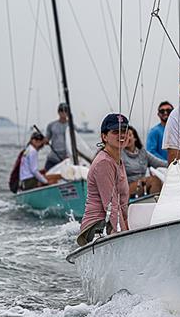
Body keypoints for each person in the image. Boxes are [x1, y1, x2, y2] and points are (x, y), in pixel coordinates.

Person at [77, 113, 131, 246]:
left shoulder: (117, 159)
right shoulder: (104, 163)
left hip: (110, 221)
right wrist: (127, 237)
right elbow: (111, 206)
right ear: (104, 137)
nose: (122, 135)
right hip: (97, 227)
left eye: (124, 131)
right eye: (115, 132)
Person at [122, 126, 167, 198]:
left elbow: (160, 163)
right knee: (154, 180)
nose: (127, 138)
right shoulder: (120, 154)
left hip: (142, 184)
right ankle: (154, 204)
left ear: (135, 138)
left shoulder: (142, 152)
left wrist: (175, 163)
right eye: (125, 136)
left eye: (129, 135)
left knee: (159, 179)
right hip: (127, 187)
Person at [44, 103, 70, 171]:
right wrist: (45, 141)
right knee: (47, 173)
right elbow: (47, 139)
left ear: (68, 113)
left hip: (66, 159)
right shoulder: (51, 125)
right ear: (58, 112)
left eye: (65, 111)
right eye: (61, 111)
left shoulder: (72, 126)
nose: (63, 113)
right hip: (53, 157)